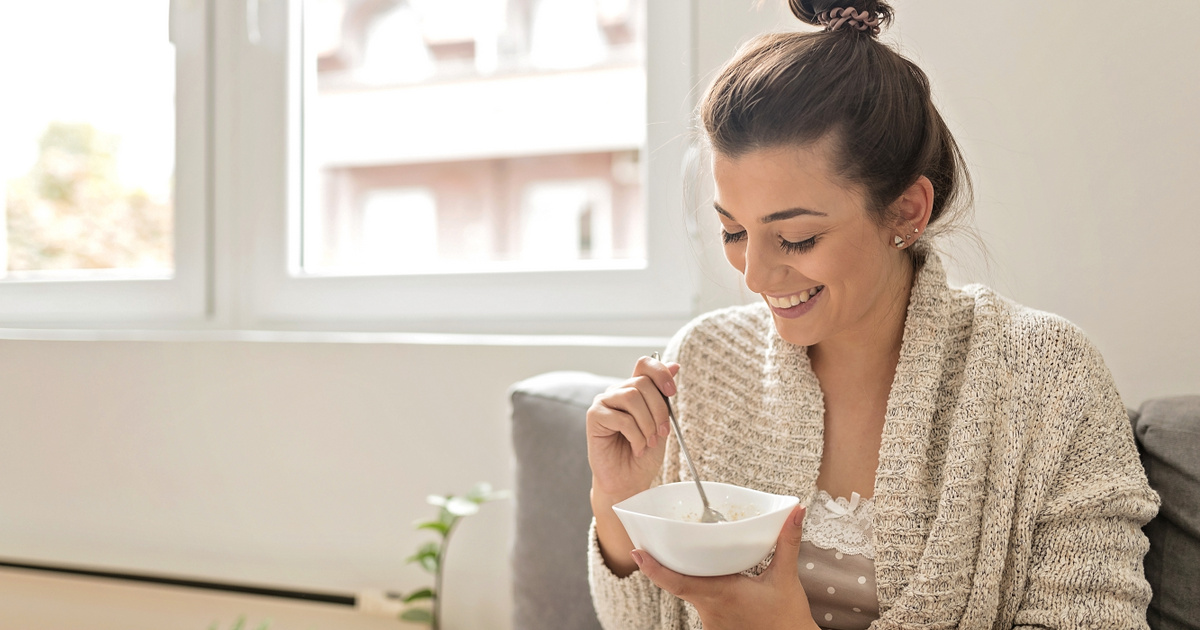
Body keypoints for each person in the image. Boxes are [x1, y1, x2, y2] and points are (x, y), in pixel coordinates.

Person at [584, 1, 1160, 629]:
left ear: (908, 210)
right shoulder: (707, 361)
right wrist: (621, 501)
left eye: (797, 238)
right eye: (733, 231)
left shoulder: (1047, 377)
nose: (754, 275)